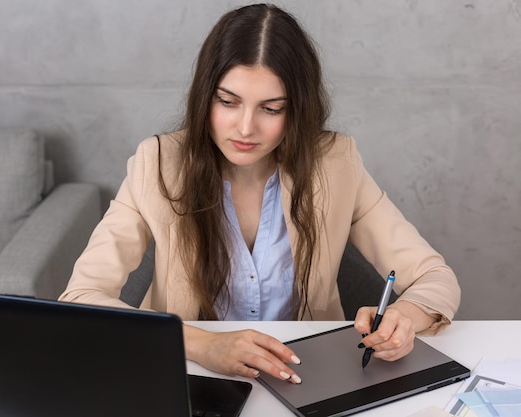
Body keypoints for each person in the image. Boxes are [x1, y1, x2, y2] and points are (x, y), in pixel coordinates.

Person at [59, 3, 460, 385]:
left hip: (306, 373)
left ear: (297, 110)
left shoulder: (336, 163)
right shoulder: (158, 162)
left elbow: (435, 277)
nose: (245, 128)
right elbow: (79, 298)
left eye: (271, 108)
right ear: (205, 97)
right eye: (227, 102)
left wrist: (405, 316)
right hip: (188, 374)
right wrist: (203, 344)